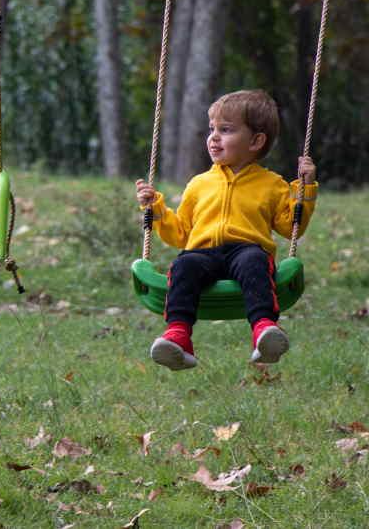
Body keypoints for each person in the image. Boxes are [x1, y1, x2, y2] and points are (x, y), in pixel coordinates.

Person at [135, 89, 317, 371]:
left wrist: (303, 192)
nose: (214, 137)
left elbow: (290, 226)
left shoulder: (272, 184)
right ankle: (178, 337)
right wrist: (156, 209)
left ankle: (264, 330)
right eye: (212, 129)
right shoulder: (199, 184)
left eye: (226, 130)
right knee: (184, 266)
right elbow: (180, 234)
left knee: (255, 262)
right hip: (202, 252)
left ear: (256, 141)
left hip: (245, 250)